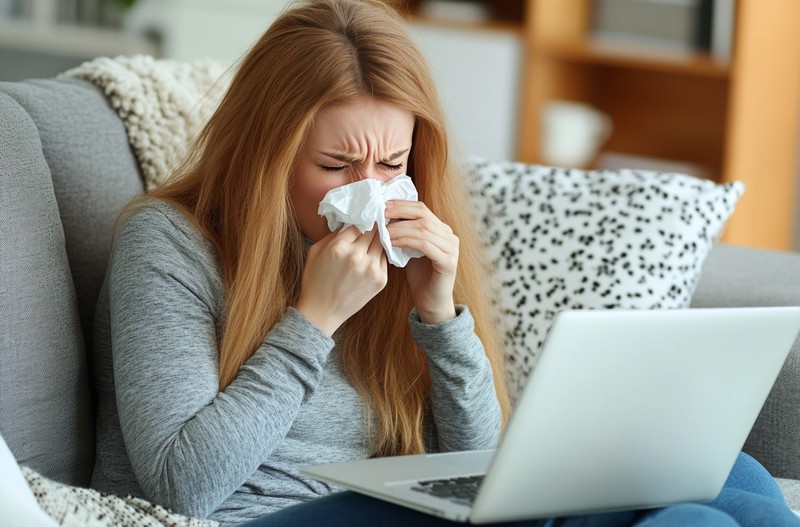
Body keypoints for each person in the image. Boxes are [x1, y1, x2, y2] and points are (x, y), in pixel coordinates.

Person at [90, 1, 800, 526]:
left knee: (732, 483)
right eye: (336, 164)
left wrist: (441, 316)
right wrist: (314, 320)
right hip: (262, 517)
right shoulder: (169, 242)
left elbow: (478, 462)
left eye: (392, 163)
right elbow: (182, 483)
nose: (366, 190)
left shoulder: (398, 259)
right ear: (263, 156)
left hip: (393, 506)